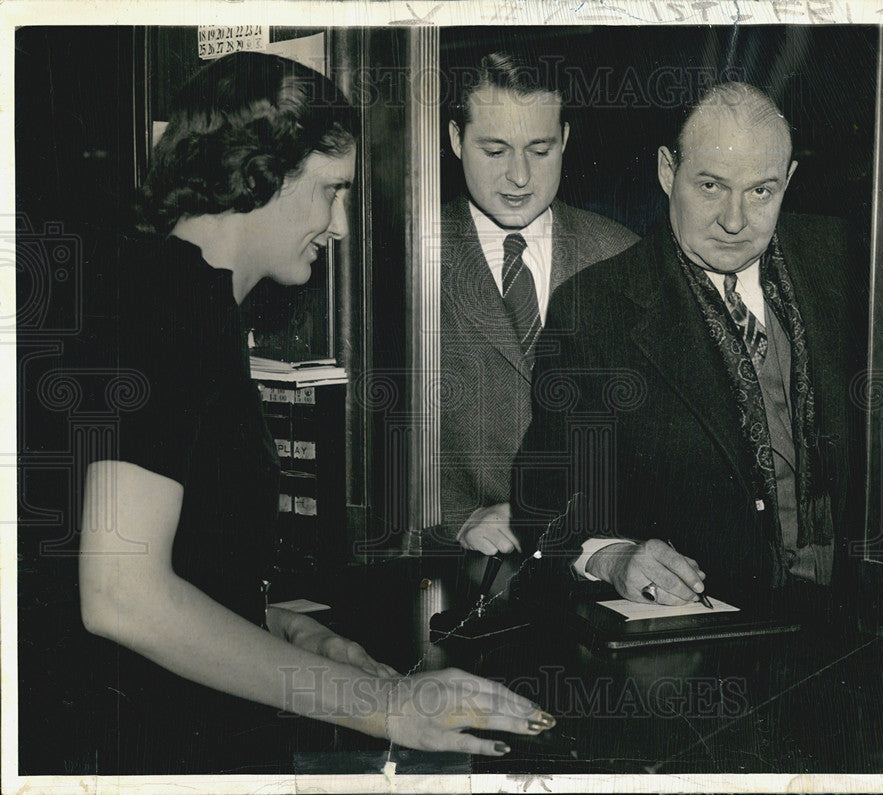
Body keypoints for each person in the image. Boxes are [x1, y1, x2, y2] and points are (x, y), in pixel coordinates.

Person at [77, 51, 554, 774]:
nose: (339, 225)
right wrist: (386, 705)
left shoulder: (180, 298)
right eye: (331, 190)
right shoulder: (166, 302)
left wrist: (299, 634)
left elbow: (187, 571)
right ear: (262, 173)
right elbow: (119, 595)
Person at [512, 82, 864, 612]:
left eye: (761, 191)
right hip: (711, 632)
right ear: (666, 171)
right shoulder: (593, 310)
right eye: (711, 186)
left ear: (789, 181)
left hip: (863, 617)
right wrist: (613, 556)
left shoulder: (853, 259)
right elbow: (543, 502)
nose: (735, 220)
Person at [438, 52, 638, 557]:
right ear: (456, 139)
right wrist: (452, 521)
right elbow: (365, 443)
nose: (520, 177)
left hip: (607, 568)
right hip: (463, 573)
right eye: (495, 150)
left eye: (541, 150)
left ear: (566, 140)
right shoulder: (405, 259)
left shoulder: (623, 255)